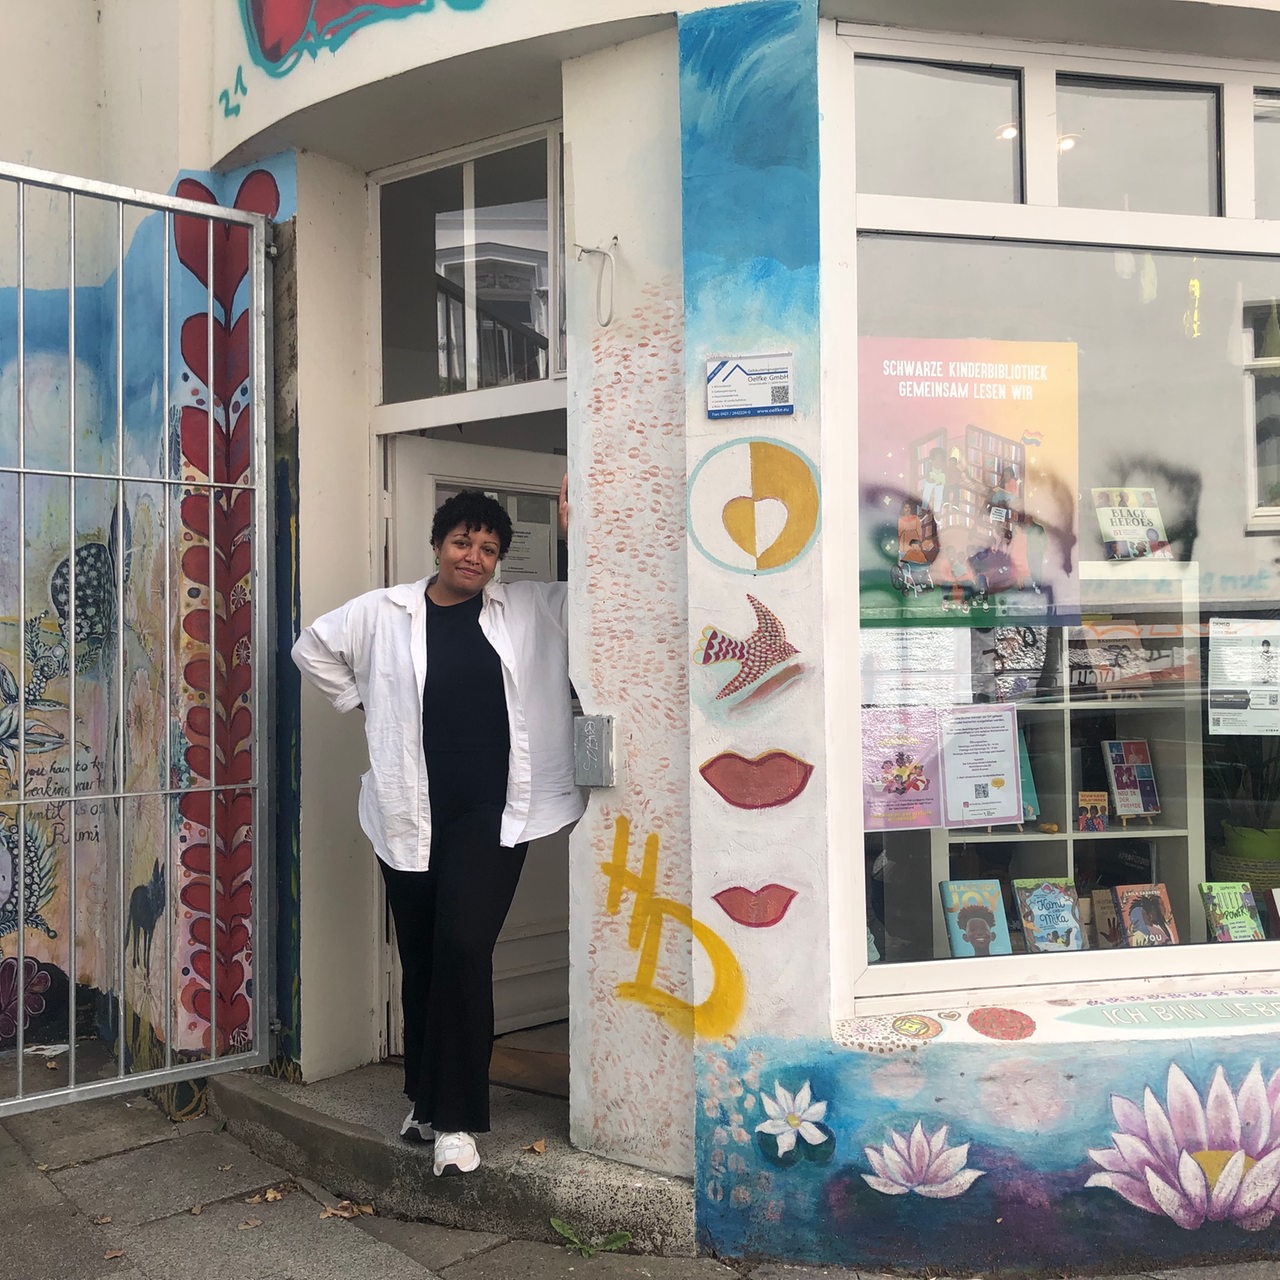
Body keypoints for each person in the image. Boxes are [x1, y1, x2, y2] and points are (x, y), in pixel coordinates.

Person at [291, 482, 583, 1177]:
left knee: (460, 945)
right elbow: (312, 648)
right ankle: (424, 1101)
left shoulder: (528, 609)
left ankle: (456, 1119)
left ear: (499, 559)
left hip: (495, 810)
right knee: (422, 954)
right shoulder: (384, 612)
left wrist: (578, 534)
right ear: (439, 544)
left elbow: (595, 605)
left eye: (488, 548)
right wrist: (360, 701)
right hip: (409, 811)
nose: (474, 556)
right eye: (463, 541)